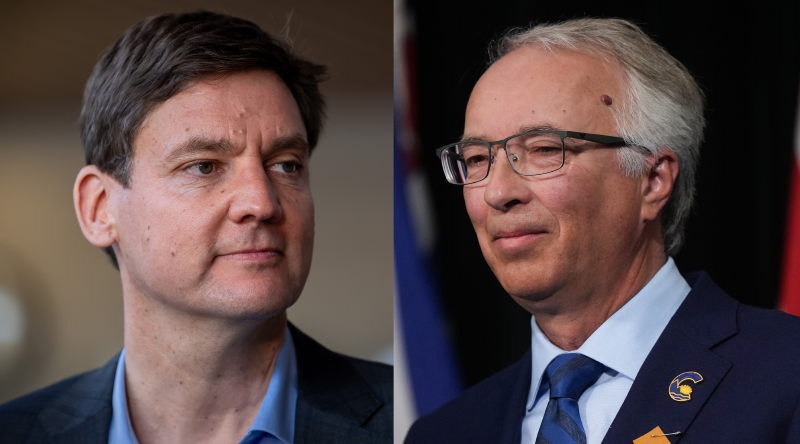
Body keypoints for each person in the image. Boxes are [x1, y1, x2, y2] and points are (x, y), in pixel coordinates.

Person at [0, 11, 392, 444]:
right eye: (204, 166)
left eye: (286, 165)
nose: (261, 203)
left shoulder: (413, 423)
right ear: (99, 208)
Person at [406, 18, 800, 444]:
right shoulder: (442, 433)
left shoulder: (786, 373)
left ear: (653, 180)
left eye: (543, 150)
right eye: (478, 159)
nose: (498, 192)